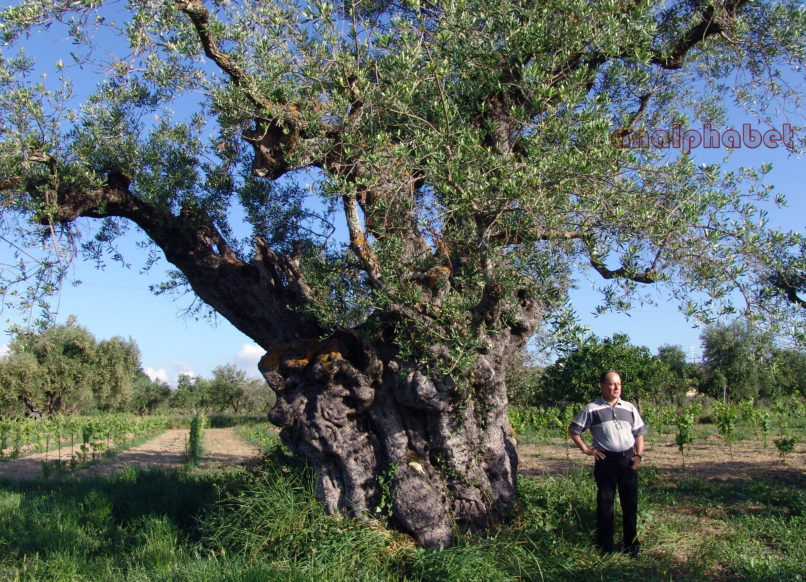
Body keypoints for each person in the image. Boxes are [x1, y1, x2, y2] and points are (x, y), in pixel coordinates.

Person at [568, 370, 647, 558]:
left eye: (619, 383)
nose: (616, 387)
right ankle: (605, 547)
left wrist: (639, 456)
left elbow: (639, 433)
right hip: (606, 462)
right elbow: (574, 430)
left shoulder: (629, 408)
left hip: (628, 461)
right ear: (603, 386)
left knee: (630, 504)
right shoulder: (591, 409)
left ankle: (631, 546)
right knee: (605, 504)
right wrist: (587, 449)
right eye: (612, 384)